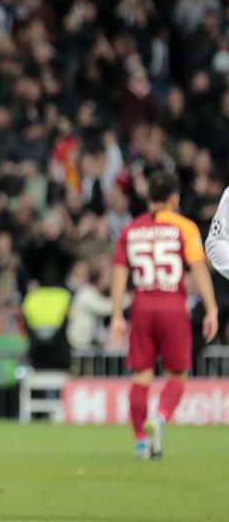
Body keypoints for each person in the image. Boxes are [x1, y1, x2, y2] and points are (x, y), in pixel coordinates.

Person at [110, 171, 219, 461]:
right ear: (174, 198)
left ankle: (140, 442)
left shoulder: (130, 230)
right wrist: (210, 309)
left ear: (149, 198)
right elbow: (198, 269)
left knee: (141, 375)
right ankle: (159, 417)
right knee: (177, 375)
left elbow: (120, 275)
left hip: (142, 306)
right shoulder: (185, 227)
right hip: (173, 306)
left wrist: (117, 316)